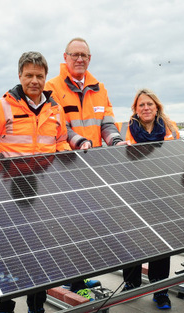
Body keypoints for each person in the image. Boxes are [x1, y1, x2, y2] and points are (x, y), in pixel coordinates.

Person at [0, 51, 71, 313]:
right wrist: (5, 164)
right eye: (29, 75)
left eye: (39, 76)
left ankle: (37, 310)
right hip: (9, 189)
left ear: (45, 78)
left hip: (43, 190)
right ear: (20, 76)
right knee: (8, 252)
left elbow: (61, 141)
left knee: (41, 251)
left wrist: (69, 162)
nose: (34, 80)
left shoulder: (55, 109)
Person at [44, 37, 128, 299]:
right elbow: (58, 125)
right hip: (67, 164)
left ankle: (80, 272)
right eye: (75, 55)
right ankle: (74, 280)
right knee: (70, 224)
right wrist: (78, 141)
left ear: (89, 59)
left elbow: (107, 122)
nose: (79, 59)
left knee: (90, 223)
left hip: (94, 165)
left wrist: (115, 139)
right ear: (65, 57)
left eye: (84, 55)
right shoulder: (53, 87)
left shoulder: (99, 87)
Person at [119, 89, 179, 309]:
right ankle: (132, 284)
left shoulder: (170, 128)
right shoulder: (127, 129)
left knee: (161, 240)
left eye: (149, 104)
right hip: (135, 192)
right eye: (141, 105)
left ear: (157, 107)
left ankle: (160, 289)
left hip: (163, 192)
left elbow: (177, 159)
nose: (145, 108)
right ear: (135, 108)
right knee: (133, 238)